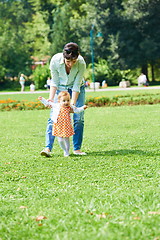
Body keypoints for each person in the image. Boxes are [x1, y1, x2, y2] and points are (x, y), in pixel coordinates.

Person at [40, 42, 86, 157]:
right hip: (60, 89)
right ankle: (48, 148)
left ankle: (76, 148)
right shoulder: (55, 60)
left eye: (73, 61)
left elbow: (76, 85)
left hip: (77, 88)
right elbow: (54, 82)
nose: (71, 64)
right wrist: (50, 99)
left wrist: (73, 104)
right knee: (53, 117)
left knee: (78, 118)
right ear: (64, 56)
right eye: (68, 61)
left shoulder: (81, 62)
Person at [38, 92, 87, 157]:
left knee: (67, 139)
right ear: (59, 101)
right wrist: (42, 100)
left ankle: (67, 151)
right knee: (60, 140)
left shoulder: (70, 107)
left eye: (68, 100)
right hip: (58, 126)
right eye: (64, 101)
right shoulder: (57, 106)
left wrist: (83, 108)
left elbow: (77, 110)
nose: (66, 102)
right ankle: (64, 149)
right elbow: (49, 103)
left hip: (66, 126)